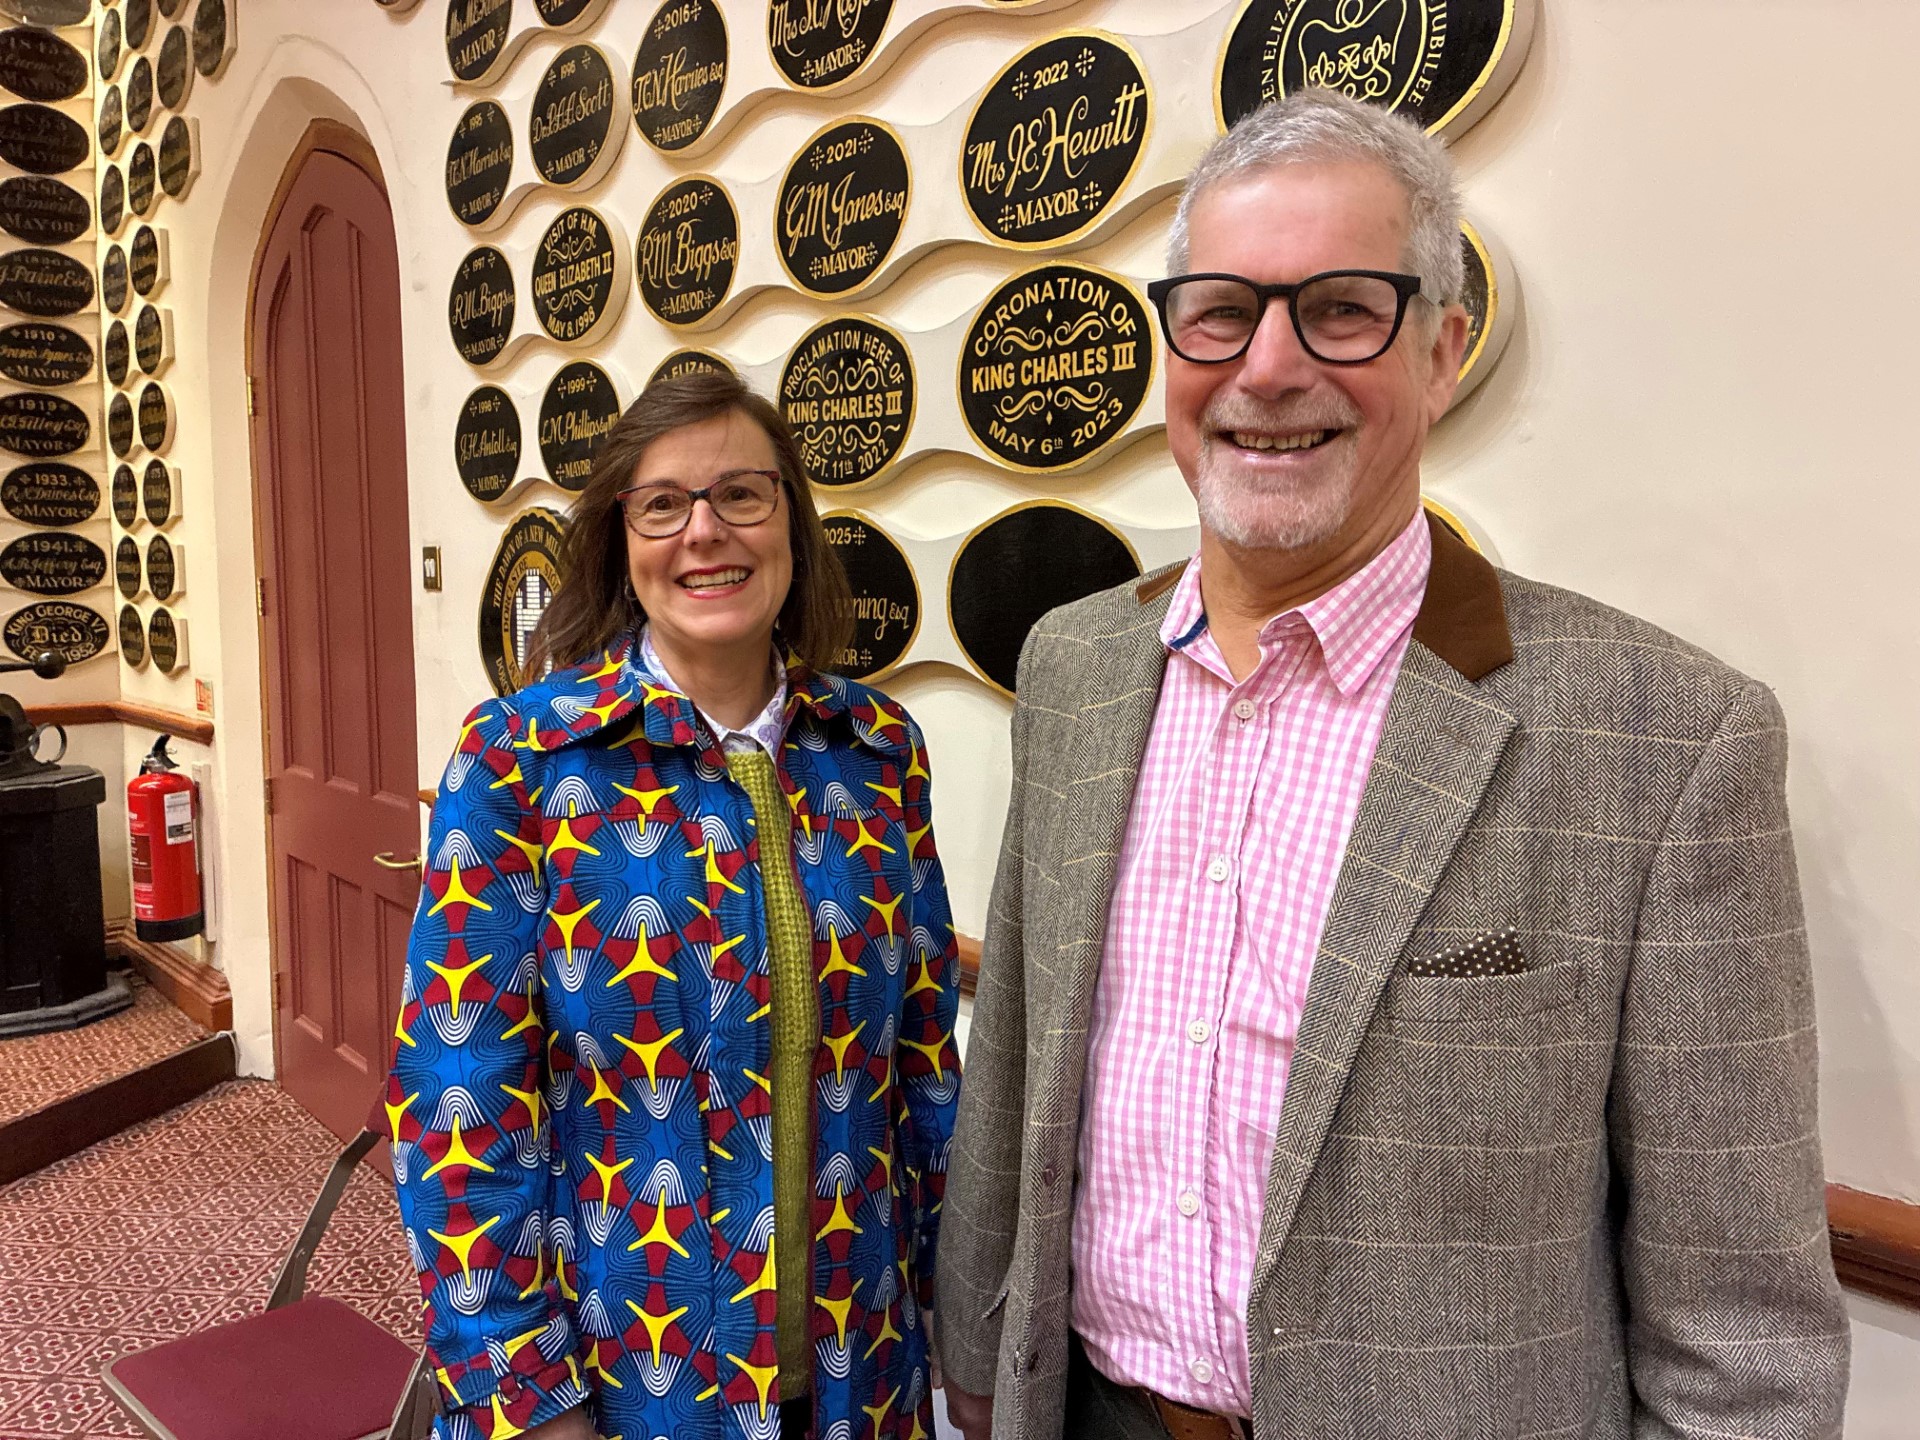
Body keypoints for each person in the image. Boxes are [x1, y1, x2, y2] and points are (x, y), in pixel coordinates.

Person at [935, 88, 1848, 1440]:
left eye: (1342, 309)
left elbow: (1742, 1329)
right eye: (1220, 313)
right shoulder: (1076, 667)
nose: (1267, 368)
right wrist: (974, 1353)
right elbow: (1017, 1061)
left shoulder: (1666, 742)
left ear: (1442, 350)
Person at [388, 371, 962, 1440]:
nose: (705, 532)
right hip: (626, 1387)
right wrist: (530, 1400)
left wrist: (961, 1329)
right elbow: (456, 1105)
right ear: (622, 542)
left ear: (791, 522)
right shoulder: (521, 760)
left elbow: (928, 1075)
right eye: (662, 504)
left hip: (860, 1373)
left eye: (742, 493)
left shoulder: (879, 752)